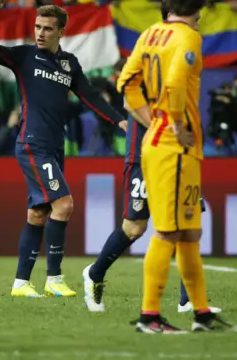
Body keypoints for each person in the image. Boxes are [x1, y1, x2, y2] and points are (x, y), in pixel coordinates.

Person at [119, 0, 237, 334]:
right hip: (173, 147)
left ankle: (201, 314)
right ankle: (149, 317)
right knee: (168, 233)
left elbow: (126, 83)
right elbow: (174, 82)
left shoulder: (149, 34)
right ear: (201, 3)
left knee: (189, 233)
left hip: (164, 142)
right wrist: (174, 123)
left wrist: (152, 119)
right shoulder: (189, 37)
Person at [0, 0, 127, 298]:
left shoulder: (68, 64)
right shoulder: (23, 56)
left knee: (38, 213)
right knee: (64, 205)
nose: (40, 33)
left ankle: (21, 284)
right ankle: (54, 279)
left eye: (48, 28)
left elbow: (90, 95)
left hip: (54, 147)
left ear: (61, 32)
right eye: (37, 27)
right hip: (33, 144)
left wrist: (119, 121)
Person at [82, 98, 222, 314]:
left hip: (177, 156)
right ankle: (95, 274)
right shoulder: (145, 66)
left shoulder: (181, 72)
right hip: (144, 155)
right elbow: (130, 102)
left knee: (186, 224)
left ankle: (188, 300)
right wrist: (167, 129)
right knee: (134, 227)